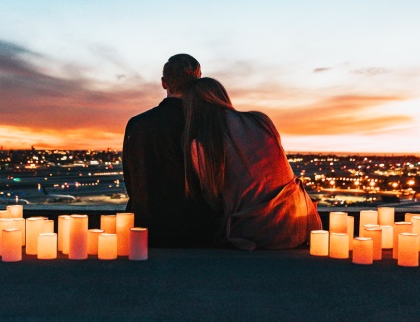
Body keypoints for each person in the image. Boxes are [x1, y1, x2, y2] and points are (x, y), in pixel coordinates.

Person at [182, 77, 321, 250]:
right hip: (303, 223)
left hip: (258, 233)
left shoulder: (202, 144)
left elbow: (213, 200)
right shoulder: (260, 120)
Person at [122, 54, 216, 247]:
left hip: (145, 231)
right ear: (198, 81)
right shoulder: (206, 124)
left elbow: (132, 184)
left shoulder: (136, 125)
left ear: (164, 83)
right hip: (195, 232)